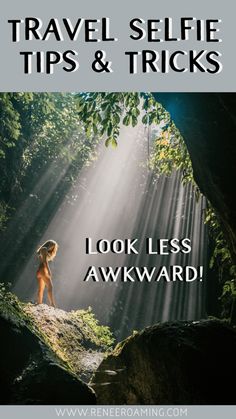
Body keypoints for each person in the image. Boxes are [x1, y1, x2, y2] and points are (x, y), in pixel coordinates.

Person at [36, 239, 58, 307]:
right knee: (50, 287)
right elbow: (45, 262)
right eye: (52, 245)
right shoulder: (44, 249)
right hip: (43, 270)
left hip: (39, 271)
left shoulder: (41, 250)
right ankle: (52, 303)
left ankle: (39, 303)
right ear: (49, 244)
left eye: (53, 247)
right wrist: (48, 270)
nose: (52, 248)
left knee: (41, 289)